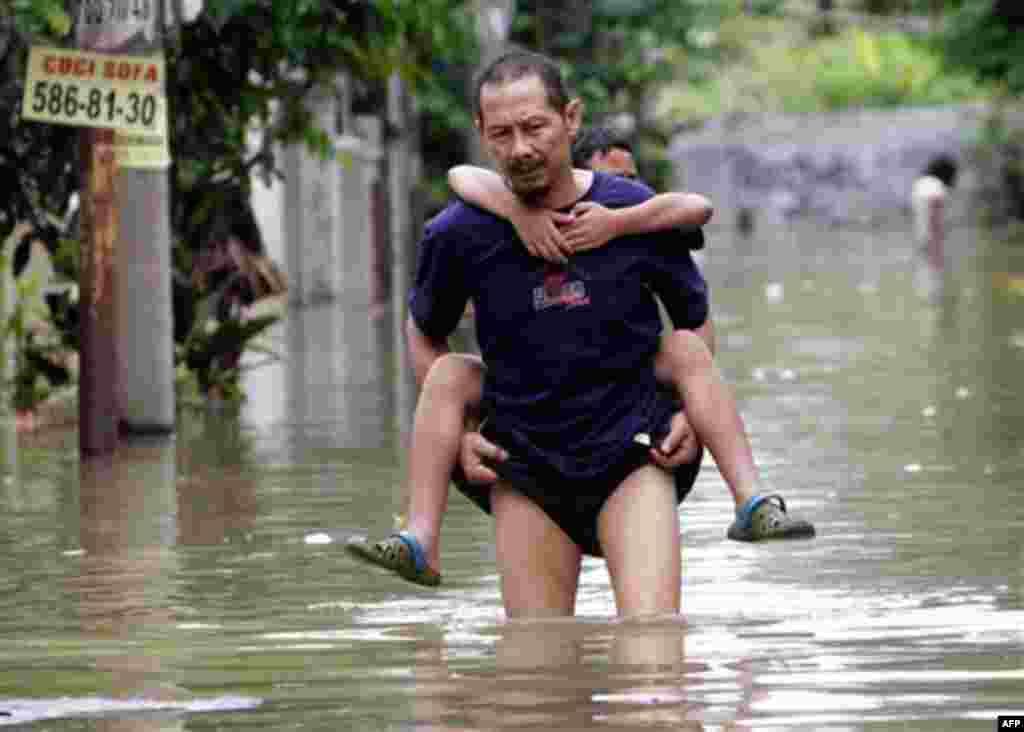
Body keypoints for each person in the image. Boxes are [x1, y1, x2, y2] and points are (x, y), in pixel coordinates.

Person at [349, 51, 811, 616]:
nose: (520, 149)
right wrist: (463, 434)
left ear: (570, 119)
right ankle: (419, 538)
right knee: (535, 668)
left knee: (653, 648)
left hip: (631, 454)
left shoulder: (633, 212)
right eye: (502, 134)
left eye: (535, 128)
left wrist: (689, 416)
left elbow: (693, 325)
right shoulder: (461, 232)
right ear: (482, 135)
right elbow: (423, 332)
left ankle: (752, 501)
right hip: (525, 464)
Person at [911, 154, 958, 298]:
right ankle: (935, 302)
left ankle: (927, 300)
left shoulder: (920, 184)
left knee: (924, 272)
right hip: (933, 239)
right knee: (935, 276)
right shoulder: (936, 188)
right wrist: (937, 243)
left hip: (921, 235)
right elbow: (934, 218)